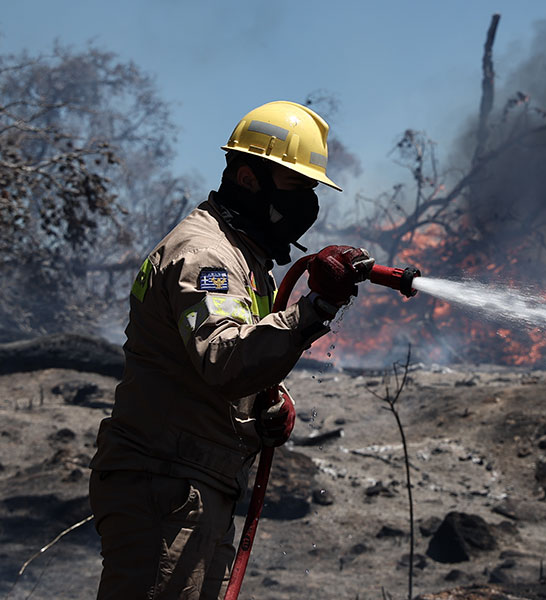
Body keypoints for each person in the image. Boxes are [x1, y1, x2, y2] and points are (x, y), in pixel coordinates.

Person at [88, 100, 373, 599]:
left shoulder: (243, 258)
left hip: (190, 483)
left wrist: (263, 407)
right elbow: (224, 359)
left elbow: (215, 368)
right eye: (296, 185)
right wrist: (312, 311)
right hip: (166, 484)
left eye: (311, 189)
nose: (307, 203)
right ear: (247, 178)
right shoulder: (207, 255)